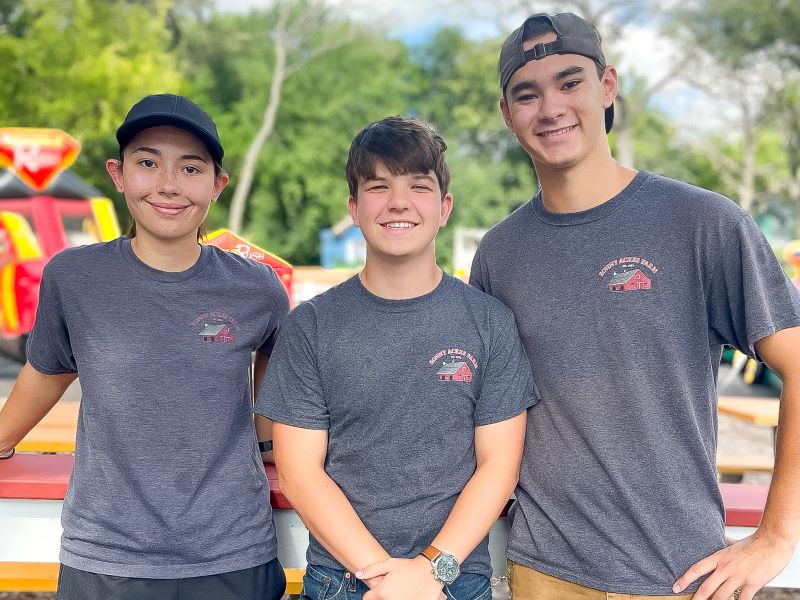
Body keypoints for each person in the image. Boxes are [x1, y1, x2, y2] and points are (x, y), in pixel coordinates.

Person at [470, 12, 800, 600]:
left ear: (608, 86)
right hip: (542, 573)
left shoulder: (701, 223)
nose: (550, 108)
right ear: (507, 114)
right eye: (527, 93)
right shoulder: (499, 254)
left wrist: (777, 536)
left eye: (570, 82)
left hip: (681, 575)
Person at [0, 93, 289, 600]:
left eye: (191, 168)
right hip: (106, 557)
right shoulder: (73, 277)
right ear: (118, 174)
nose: (168, 185)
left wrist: (268, 447)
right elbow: (47, 370)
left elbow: (275, 372)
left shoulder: (258, 288)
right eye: (148, 162)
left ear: (217, 185)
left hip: (233, 551)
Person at [256, 116, 537, 600]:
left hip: (455, 579)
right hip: (342, 580)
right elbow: (300, 471)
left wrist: (431, 570)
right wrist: (383, 576)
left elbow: (499, 464)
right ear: (354, 207)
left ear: (444, 207)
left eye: (419, 186)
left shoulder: (489, 322)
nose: (398, 202)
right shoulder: (312, 326)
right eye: (379, 186)